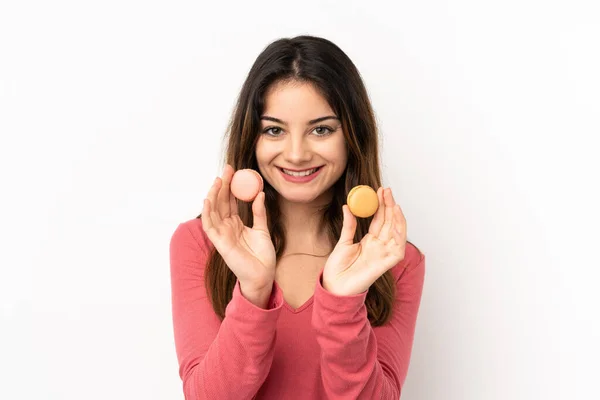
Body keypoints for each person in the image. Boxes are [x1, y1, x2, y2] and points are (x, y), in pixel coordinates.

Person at [169, 35, 426, 399]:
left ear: (352, 135)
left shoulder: (393, 260)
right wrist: (254, 292)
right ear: (251, 138)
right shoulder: (200, 243)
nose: (297, 153)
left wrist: (343, 304)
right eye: (274, 130)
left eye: (321, 129)